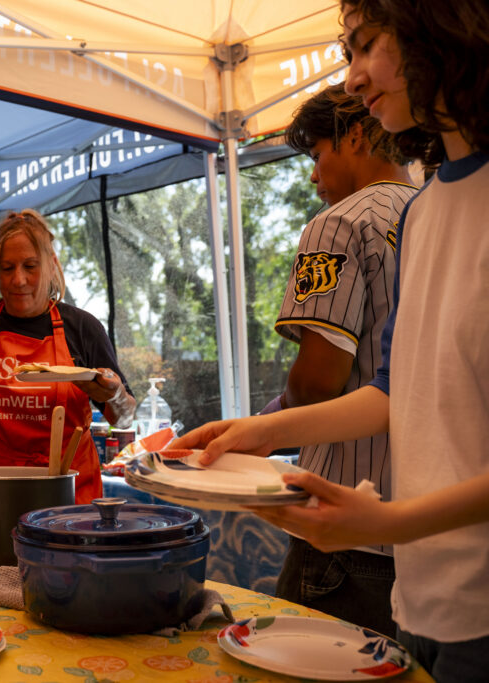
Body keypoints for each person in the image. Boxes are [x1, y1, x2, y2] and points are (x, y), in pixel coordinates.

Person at [172, 1, 489, 679]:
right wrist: (257, 432)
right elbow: (394, 390)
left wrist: (384, 521)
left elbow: (321, 369)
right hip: (420, 595)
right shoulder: (423, 210)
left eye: (366, 45)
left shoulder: (334, 228)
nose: (351, 79)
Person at [259, 83, 418, 635]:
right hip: (427, 522)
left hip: (344, 523)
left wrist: (265, 423)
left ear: (354, 134)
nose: (313, 175)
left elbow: (318, 381)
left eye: (317, 154)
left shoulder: (340, 223)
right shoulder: (433, 209)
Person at [0, 210, 135, 504]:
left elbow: (125, 418)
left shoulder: (82, 328)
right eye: (6, 268)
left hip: (64, 491)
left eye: (31, 266)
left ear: (52, 265)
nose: (18, 280)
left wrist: (114, 392)